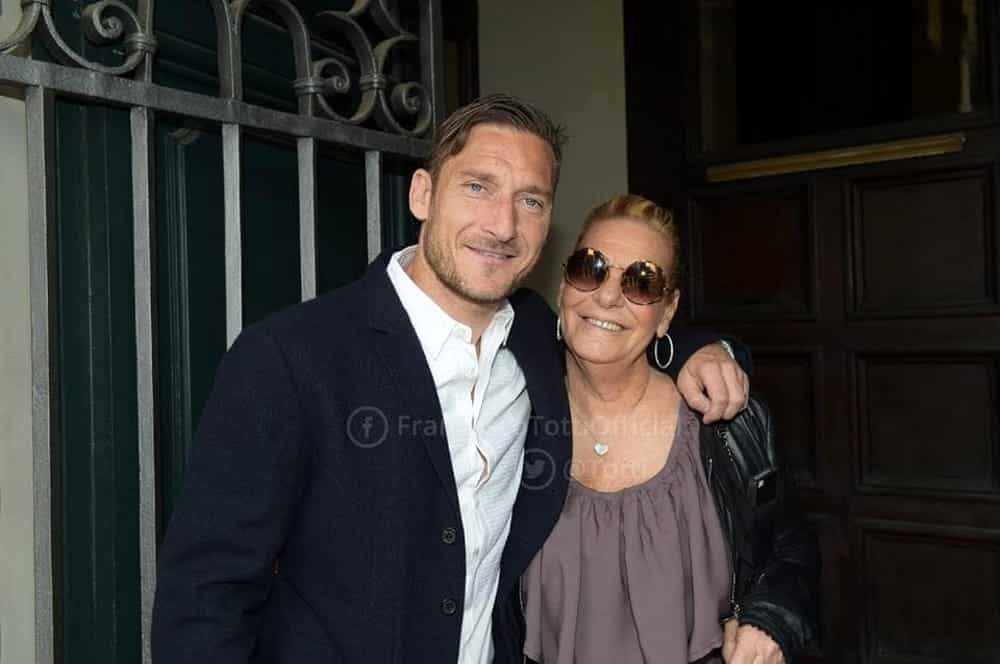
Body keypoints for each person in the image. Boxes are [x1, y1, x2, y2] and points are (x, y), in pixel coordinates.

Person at [151, 95, 751, 663]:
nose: (502, 225)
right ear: (423, 193)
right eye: (477, 187)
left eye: (531, 201)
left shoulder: (535, 338)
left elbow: (617, 331)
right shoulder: (290, 357)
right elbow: (205, 597)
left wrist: (707, 351)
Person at [514, 194, 818, 664]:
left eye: (642, 281)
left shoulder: (724, 424)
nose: (608, 296)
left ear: (668, 312)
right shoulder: (512, 418)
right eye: (590, 268)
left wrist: (770, 620)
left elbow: (793, 552)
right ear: (563, 285)